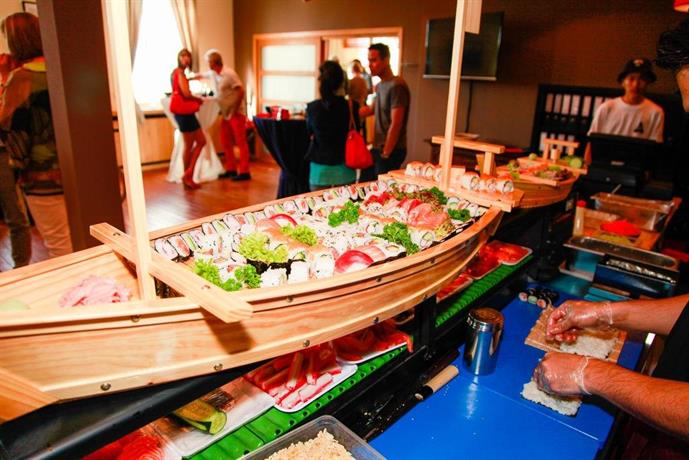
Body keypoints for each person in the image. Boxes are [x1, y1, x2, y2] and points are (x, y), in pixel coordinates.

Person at [0, 12, 72, 259]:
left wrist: (5, 77)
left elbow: (10, 128)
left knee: (60, 246)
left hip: (42, 176)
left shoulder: (21, 78)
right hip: (75, 172)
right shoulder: (62, 69)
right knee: (83, 238)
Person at [584, 58, 665, 164]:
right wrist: (587, 167)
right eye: (631, 78)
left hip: (635, 167)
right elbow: (592, 142)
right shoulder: (606, 108)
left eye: (642, 79)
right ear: (623, 82)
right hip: (604, 165)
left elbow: (653, 150)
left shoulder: (656, 112)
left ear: (648, 82)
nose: (636, 84)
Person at [359, 43, 410, 181]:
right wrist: (347, 110)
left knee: (382, 188)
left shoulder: (397, 85)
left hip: (391, 149)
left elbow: (396, 123)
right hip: (378, 148)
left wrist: (386, 153)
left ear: (386, 60)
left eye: (373, 60)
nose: (370, 65)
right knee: (364, 184)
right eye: (369, 61)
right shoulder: (380, 85)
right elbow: (370, 109)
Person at [305, 60, 359, 191]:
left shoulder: (312, 108)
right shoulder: (351, 106)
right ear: (341, 82)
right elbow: (357, 129)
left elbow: (309, 132)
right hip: (345, 168)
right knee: (347, 204)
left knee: (318, 204)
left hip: (319, 170)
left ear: (320, 81)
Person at [202, 49, 251, 181]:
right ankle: (231, 169)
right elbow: (202, 75)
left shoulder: (229, 74)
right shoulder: (214, 74)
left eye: (208, 62)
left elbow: (241, 90)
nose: (207, 64)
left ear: (214, 62)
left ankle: (245, 171)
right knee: (225, 140)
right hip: (225, 113)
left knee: (240, 142)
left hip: (236, 113)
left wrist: (234, 109)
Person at [170, 48, 206, 190]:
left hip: (184, 113)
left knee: (197, 142)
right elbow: (185, 93)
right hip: (185, 113)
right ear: (179, 58)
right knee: (193, 143)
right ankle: (188, 175)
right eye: (183, 56)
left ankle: (188, 174)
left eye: (188, 57)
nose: (186, 59)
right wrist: (198, 99)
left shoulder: (176, 73)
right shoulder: (179, 73)